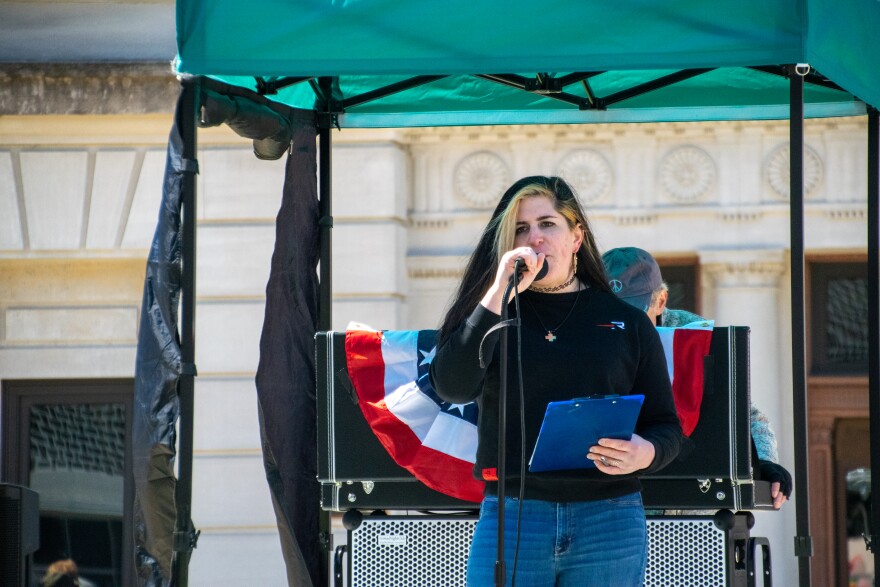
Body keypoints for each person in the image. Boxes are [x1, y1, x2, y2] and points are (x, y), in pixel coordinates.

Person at [430, 176, 682, 586]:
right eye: (521, 229)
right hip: (514, 516)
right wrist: (497, 292)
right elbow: (453, 386)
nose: (535, 239)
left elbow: (666, 425)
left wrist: (646, 452)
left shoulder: (629, 322)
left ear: (576, 237)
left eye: (548, 224)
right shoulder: (492, 311)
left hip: (608, 517)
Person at [601, 246, 793, 510]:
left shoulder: (692, 336)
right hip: (612, 500)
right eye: (612, 311)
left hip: (686, 504)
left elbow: (744, 416)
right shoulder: (589, 332)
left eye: (634, 311)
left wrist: (764, 463)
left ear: (661, 300)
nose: (625, 323)